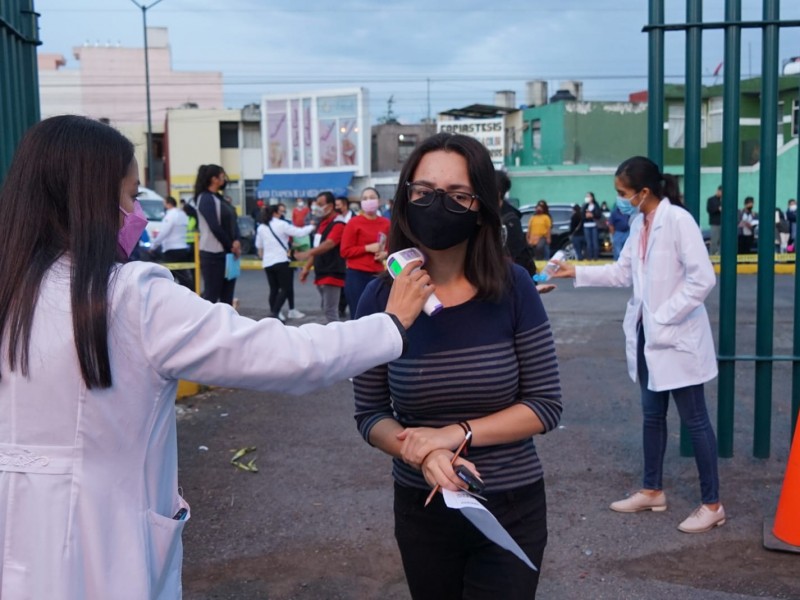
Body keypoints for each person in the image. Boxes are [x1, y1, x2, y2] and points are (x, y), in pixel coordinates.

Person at [0, 115, 434, 600]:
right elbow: (286, 356)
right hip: (103, 555)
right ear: (89, 199)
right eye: (129, 196)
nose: (135, 214)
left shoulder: (13, 293)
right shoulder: (131, 298)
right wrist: (389, 325)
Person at [353, 132, 563, 599]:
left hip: (511, 504)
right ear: (405, 198)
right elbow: (369, 415)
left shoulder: (514, 288)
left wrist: (452, 435)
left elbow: (545, 405)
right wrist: (423, 452)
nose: (435, 205)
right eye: (423, 192)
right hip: (422, 508)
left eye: (458, 195)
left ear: (481, 207)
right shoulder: (378, 299)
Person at [551, 155, 724, 534]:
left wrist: (664, 315)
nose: (620, 200)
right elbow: (622, 272)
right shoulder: (639, 221)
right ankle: (652, 490)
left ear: (644, 192)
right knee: (651, 416)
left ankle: (712, 504)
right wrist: (574, 271)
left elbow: (703, 279)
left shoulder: (678, 221)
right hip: (648, 336)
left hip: (676, 336)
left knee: (695, 421)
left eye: (623, 193)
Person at [255, 205, 315, 321]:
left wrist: (263, 256)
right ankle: (275, 312)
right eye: (281, 212)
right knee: (285, 288)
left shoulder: (261, 227)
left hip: (268, 262)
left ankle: (274, 312)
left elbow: (259, 246)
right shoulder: (282, 224)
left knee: (273, 289)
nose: (282, 213)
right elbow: (299, 233)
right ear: (276, 213)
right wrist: (312, 227)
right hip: (281, 260)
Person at [340, 187, 391, 317]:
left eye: (372, 197)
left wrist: (385, 253)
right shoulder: (353, 223)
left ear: (379, 201)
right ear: (361, 203)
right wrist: (367, 248)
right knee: (359, 315)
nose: (369, 201)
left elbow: (392, 247)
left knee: (379, 315)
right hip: (357, 275)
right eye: (365, 198)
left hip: (379, 274)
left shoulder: (386, 223)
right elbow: (344, 251)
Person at [195, 164, 241, 304]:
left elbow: (233, 220)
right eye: (222, 175)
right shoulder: (205, 198)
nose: (224, 178)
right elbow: (214, 226)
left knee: (227, 298)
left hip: (228, 254)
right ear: (214, 179)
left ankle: (226, 325)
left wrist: (237, 240)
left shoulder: (221, 199)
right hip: (213, 254)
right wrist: (230, 245)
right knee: (211, 296)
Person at [299, 191, 347, 322]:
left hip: (333, 272)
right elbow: (317, 248)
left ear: (330, 206)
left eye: (320, 204)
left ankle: (337, 339)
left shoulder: (339, 224)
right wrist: (307, 267)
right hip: (321, 271)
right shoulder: (322, 224)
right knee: (327, 309)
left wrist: (307, 253)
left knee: (330, 310)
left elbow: (329, 243)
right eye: (316, 204)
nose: (316, 207)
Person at [496, 170, 537, 276]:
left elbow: (517, 256)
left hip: (505, 280)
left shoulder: (510, 221)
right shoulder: (486, 215)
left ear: (498, 192)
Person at [149, 196, 194, 290]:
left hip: (171, 249)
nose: (164, 206)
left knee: (169, 277)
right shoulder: (182, 214)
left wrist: (153, 245)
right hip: (182, 247)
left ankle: (171, 297)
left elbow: (164, 232)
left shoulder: (170, 215)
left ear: (168, 204)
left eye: (164, 203)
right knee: (183, 276)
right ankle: (189, 294)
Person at [583, 192, 602, 260]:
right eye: (586, 196)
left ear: (592, 197)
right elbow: (582, 215)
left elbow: (599, 215)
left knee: (595, 242)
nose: (587, 198)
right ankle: (589, 257)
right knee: (588, 242)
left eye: (589, 196)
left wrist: (592, 215)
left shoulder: (596, 205)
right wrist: (586, 216)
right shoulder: (584, 206)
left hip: (594, 225)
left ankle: (596, 257)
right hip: (586, 226)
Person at [706, 186, 722, 255]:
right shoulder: (711, 200)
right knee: (714, 241)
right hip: (715, 223)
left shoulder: (724, 200)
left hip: (723, 223)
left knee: (721, 242)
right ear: (718, 191)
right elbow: (709, 209)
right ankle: (712, 256)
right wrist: (718, 209)